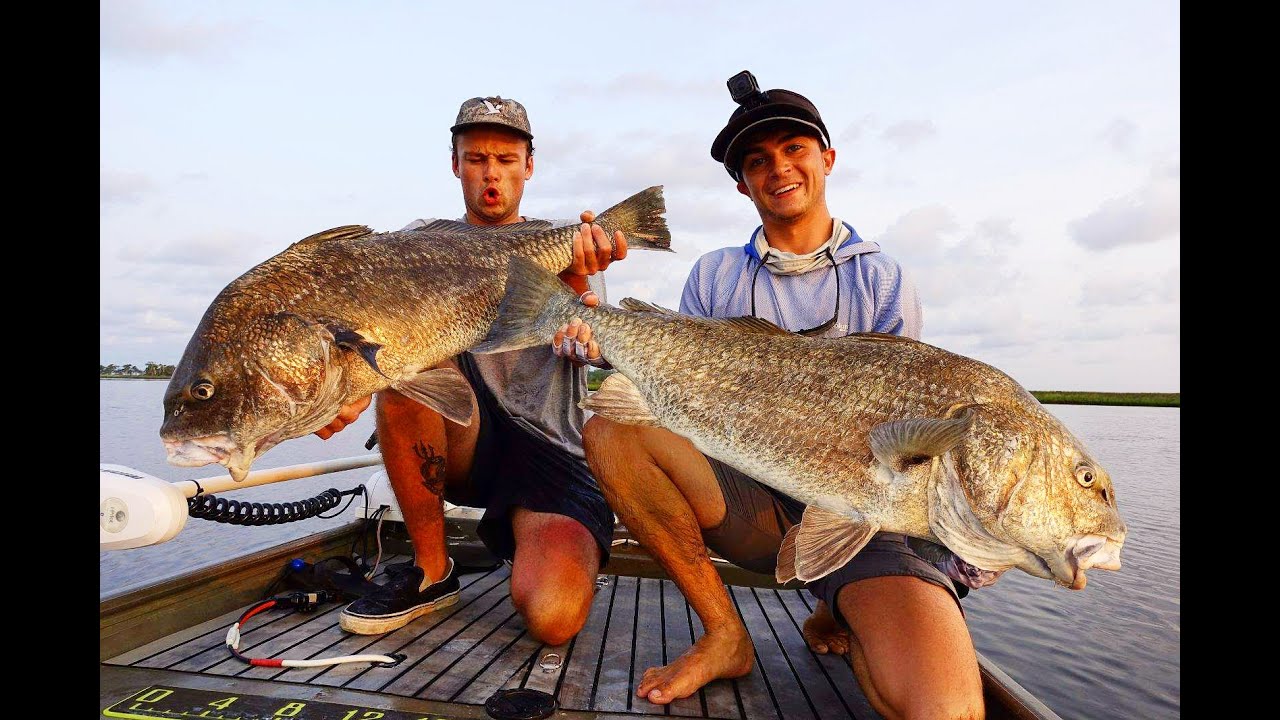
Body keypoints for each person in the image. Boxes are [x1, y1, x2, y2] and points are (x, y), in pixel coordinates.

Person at [555, 72, 986, 719]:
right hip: (752, 503)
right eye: (757, 161)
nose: (777, 168)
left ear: (827, 158)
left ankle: (832, 602)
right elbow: (659, 388)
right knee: (613, 429)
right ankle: (726, 634)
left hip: (860, 520)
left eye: (793, 149)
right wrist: (592, 319)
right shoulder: (715, 274)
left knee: (945, 709)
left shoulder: (883, 277)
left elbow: (907, 448)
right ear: (741, 183)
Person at [315, 95, 628, 646]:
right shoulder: (417, 243)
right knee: (404, 375)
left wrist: (578, 291)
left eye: (506, 161)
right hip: (465, 437)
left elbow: (593, 349)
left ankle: (541, 537)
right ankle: (433, 569)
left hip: (551, 448)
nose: (492, 174)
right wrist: (342, 392)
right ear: (455, 163)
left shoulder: (571, 245)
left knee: (554, 620)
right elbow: (373, 333)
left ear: (528, 167)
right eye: (477, 158)